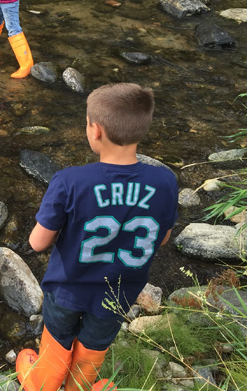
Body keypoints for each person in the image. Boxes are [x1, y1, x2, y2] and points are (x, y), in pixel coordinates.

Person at [16, 83, 178, 391]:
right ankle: (79, 386)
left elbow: (37, 243)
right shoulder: (166, 181)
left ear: (96, 131)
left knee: (58, 339)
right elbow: (164, 238)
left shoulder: (71, 181)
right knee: (94, 345)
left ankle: (42, 384)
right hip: (119, 293)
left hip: (67, 290)